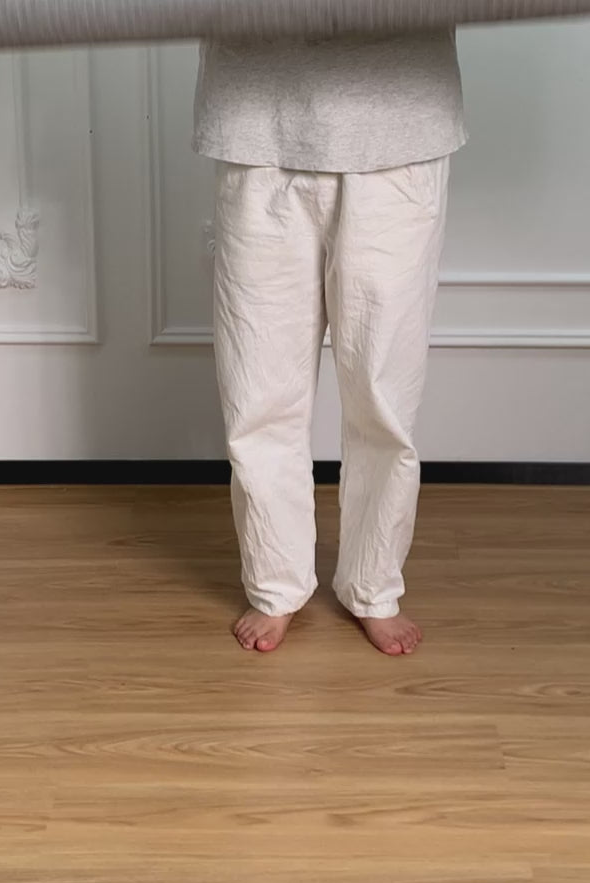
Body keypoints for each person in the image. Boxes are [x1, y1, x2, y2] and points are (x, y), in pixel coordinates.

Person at [194, 30, 467, 655]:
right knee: (259, 391)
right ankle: (275, 583)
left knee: (383, 396)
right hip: (257, 117)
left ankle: (374, 584)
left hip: (400, 123)